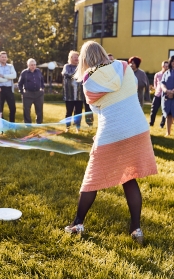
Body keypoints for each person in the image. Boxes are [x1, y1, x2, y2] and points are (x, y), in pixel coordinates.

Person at [65, 41, 157, 245]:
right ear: (103, 53)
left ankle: (77, 224)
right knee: (129, 177)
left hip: (112, 131)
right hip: (137, 128)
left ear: (84, 59)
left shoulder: (88, 81)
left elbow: (97, 110)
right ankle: (136, 229)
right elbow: (132, 91)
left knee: (92, 178)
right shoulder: (124, 67)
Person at [62, 50, 85, 131]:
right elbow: (66, 73)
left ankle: (77, 128)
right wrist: (78, 74)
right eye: (74, 57)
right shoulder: (67, 66)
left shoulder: (81, 66)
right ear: (70, 58)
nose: (76, 58)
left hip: (79, 94)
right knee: (69, 112)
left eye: (77, 57)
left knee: (78, 112)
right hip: (69, 95)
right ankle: (67, 127)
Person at [18, 58, 45, 124]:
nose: (33, 66)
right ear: (28, 65)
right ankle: (28, 125)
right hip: (27, 94)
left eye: (34, 65)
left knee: (39, 110)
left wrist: (42, 88)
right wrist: (22, 92)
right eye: (31, 65)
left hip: (38, 94)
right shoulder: (24, 72)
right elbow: (20, 83)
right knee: (26, 111)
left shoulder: (38, 71)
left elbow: (42, 80)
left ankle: (39, 124)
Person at [0, 51, 17, 122]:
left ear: (7, 58)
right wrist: (8, 78)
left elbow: (14, 76)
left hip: (9, 89)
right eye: (2, 57)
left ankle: (12, 124)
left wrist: (3, 76)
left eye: (5, 57)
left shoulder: (10, 66)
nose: (4, 58)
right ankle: (1, 124)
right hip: (0, 90)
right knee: (0, 108)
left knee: (12, 108)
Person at [149, 61, 168, 127]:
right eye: (165, 66)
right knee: (154, 109)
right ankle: (151, 123)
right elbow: (155, 84)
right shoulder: (157, 74)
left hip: (165, 95)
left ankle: (162, 124)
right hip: (158, 95)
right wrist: (156, 90)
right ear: (162, 66)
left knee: (164, 110)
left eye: (167, 66)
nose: (166, 67)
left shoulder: (169, 75)